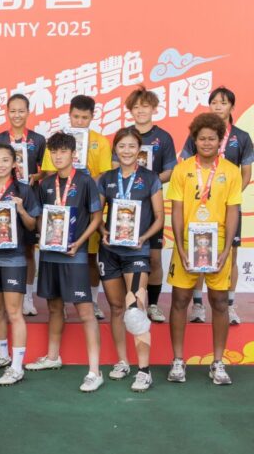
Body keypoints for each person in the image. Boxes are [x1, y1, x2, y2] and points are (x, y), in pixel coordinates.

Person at [26, 132, 104, 392]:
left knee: (85, 311)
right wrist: (41, 235)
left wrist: (79, 243)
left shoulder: (86, 181)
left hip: (75, 255)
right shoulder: (46, 184)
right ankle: (52, 357)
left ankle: (95, 371)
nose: (58, 156)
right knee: (54, 307)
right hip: (50, 254)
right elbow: (40, 218)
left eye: (63, 151)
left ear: (73, 154)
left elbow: (96, 217)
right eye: (54, 152)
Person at [167, 113, 241, 386]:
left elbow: (233, 211)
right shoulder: (182, 169)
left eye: (212, 138)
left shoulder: (231, 171)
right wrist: (180, 246)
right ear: (194, 140)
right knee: (180, 300)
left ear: (220, 141)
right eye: (202, 138)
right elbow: (176, 211)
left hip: (218, 244)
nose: (207, 143)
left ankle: (218, 363)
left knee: (220, 302)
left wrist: (227, 249)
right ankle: (178, 360)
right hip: (187, 243)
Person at [97, 127, 164, 392]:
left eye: (131, 146)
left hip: (136, 251)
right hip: (110, 252)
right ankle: (122, 361)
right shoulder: (106, 178)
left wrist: (143, 237)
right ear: (115, 149)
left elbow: (159, 217)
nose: (126, 151)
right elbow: (96, 214)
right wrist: (102, 231)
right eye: (122, 146)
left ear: (139, 150)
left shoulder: (150, 178)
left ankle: (144, 371)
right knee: (116, 308)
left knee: (135, 307)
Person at [180, 87, 252, 325]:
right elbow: (186, 166)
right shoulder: (198, 134)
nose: (218, 106)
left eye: (223, 102)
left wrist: (228, 198)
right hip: (199, 207)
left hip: (227, 207)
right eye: (214, 102)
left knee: (230, 254)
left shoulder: (241, 137)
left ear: (232, 107)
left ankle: (229, 305)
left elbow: (245, 172)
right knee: (198, 250)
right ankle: (197, 305)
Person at [41, 95, 112, 320]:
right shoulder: (58, 141)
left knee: (89, 256)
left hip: (87, 204)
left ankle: (92, 300)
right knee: (58, 251)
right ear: (69, 115)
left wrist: (82, 181)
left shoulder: (101, 141)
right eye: (76, 117)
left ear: (92, 117)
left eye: (84, 118)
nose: (79, 122)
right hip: (60, 207)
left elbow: (104, 175)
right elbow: (48, 172)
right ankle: (59, 302)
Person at [0, 143, 40, 385]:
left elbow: (32, 225)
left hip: (14, 258)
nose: (1, 164)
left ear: (14, 163)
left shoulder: (24, 190)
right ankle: (3, 356)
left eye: (5, 160)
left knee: (14, 312)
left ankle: (16, 366)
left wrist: (21, 209)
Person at [114, 86, 176, 324]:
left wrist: (148, 182)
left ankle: (152, 304)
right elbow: (115, 166)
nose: (140, 111)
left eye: (145, 106)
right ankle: (128, 304)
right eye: (136, 107)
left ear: (154, 109)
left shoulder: (163, 137)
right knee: (124, 256)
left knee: (154, 258)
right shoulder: (124, 135)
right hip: (125, 208)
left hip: (151, 205)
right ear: (131, 110)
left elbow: (170, 170)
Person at [0, 93, 47, 316]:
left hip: (27, 197)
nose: (17, 115)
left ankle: (28, 297)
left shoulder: (38, 139)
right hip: (1, 199)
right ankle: (4, 294)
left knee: (28, 250)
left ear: (28, 112)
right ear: (7, 112)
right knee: (2, 244)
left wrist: (36, 176)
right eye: (12, 111)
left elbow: (46, 170)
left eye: (21, 111)